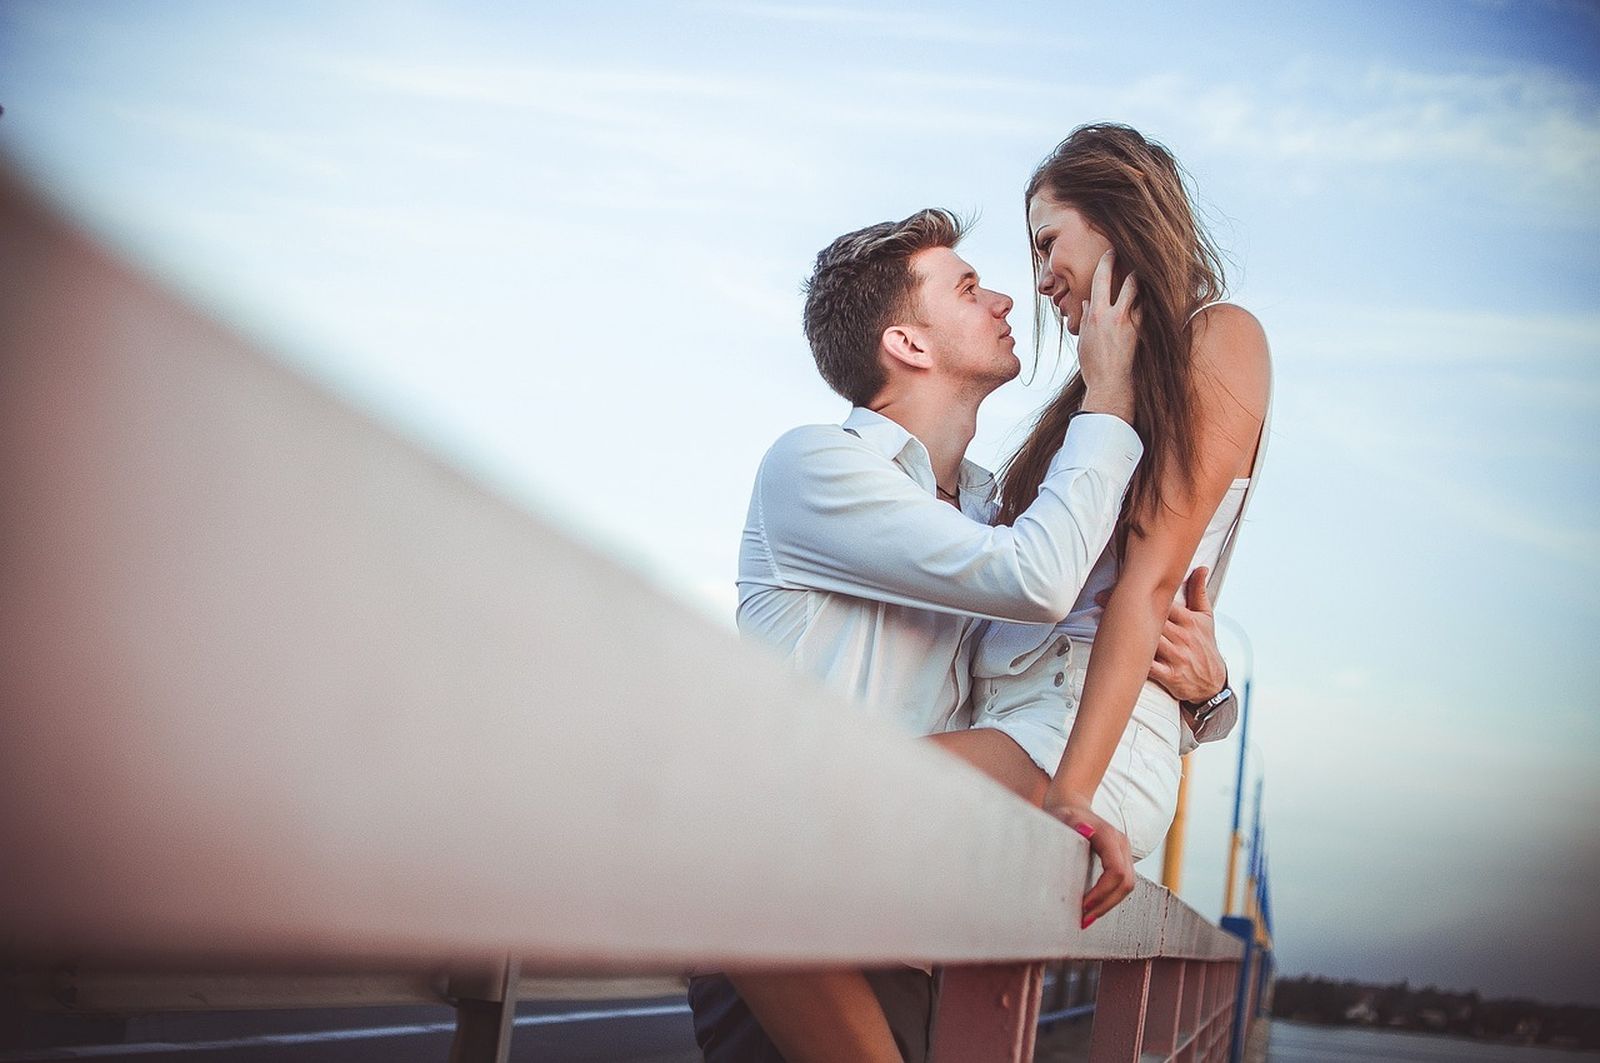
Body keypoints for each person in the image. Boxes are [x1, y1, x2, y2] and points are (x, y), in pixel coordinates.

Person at [688, 193, 1241, 1060]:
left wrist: (1208, 698)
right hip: (789, 924)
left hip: (918, 924)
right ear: (908, 344)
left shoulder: (994, 509)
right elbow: (1040, 579)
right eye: (970, 287)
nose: (1006, 300)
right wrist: (1108, 393)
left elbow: (1075, 658)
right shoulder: (819, 465)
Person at [968, 123, 1271, 923]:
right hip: (1016, 720)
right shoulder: (1094, 394)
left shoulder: (1222, 338)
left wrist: (1073, 791)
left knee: (804, 815)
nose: (1039, 279)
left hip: (1078, 744)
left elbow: (1151, 580)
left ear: (1115, 217)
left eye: (1048, 242)